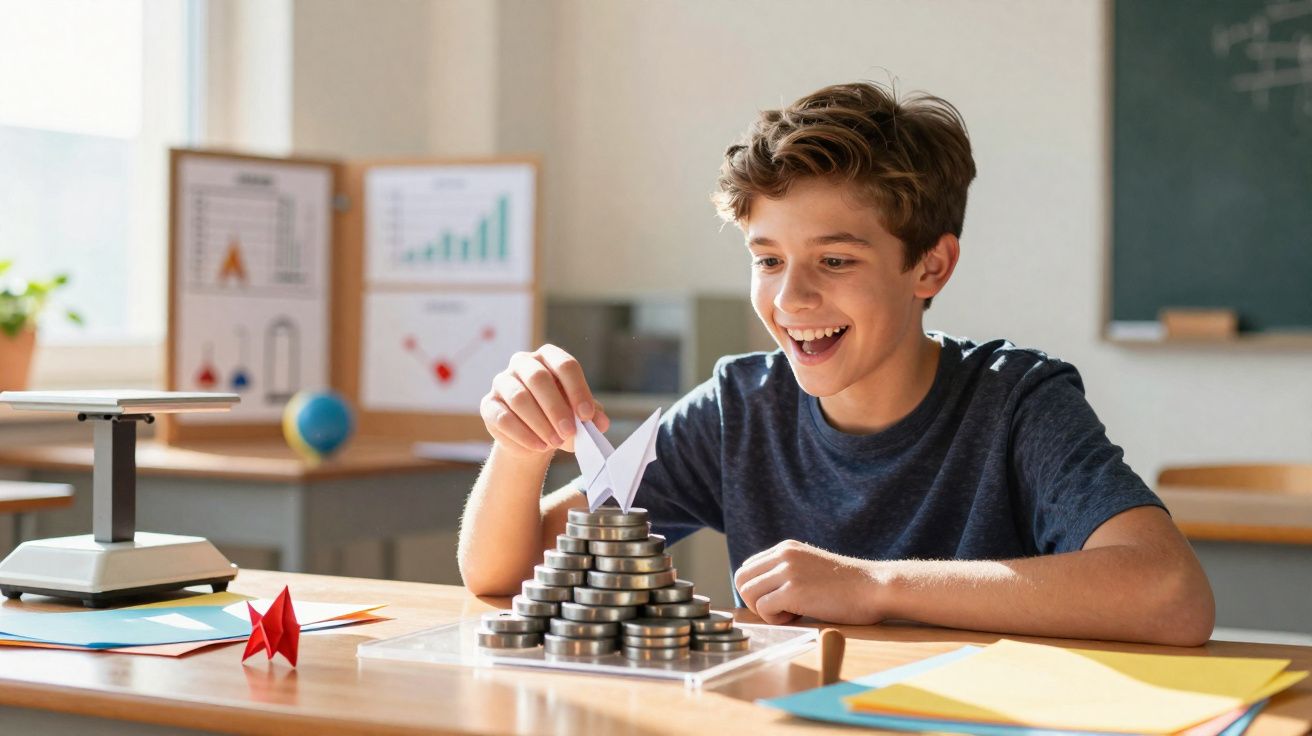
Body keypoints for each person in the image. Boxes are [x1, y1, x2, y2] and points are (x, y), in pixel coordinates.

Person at [458, 81, 1215, 646]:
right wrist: (518, 451)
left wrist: (874, 585)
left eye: (836, 259)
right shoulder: (738, 408)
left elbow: (1170, 594)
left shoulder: (1016, 400)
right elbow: (503, 574)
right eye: (768, 259)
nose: (792, 297)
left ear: (931, 266)